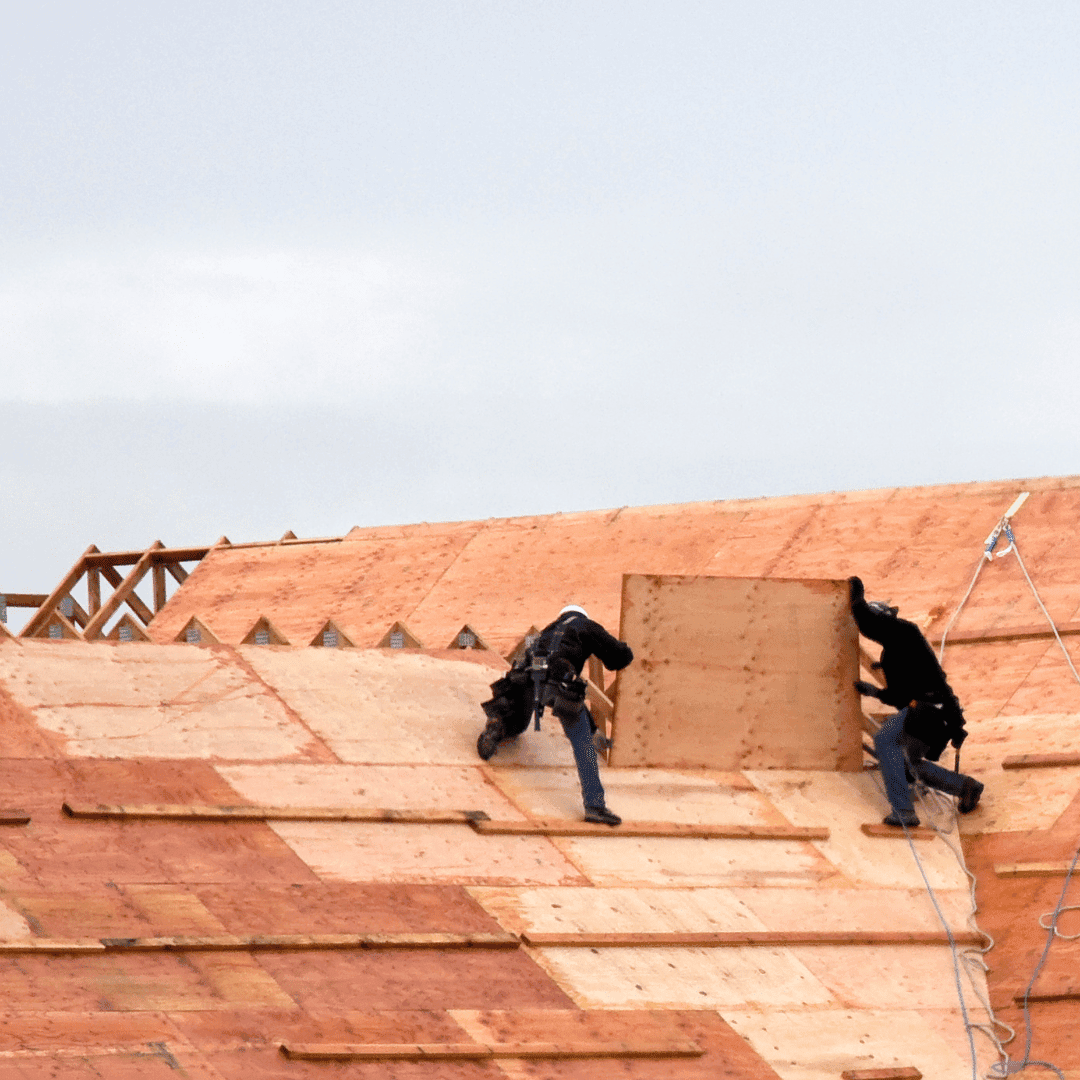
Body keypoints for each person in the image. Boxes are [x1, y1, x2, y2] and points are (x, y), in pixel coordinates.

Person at [477, 604, 633, 826]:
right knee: (583, 744)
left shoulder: (547, 631)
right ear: (582, 615)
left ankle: (498, 726)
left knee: (519, 724)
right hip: (559, 681)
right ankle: (595, 806)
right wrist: (628, 649)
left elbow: (526, 656)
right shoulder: (586, 626)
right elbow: (619, 658)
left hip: (527, 676)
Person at [849, 576, 984, 828]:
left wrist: (856, 596)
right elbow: (901, 696)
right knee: (905, 764)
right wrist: (877, 693)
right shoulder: (893, 654)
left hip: (929, 711)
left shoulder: (906, 633)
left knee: (884, 740)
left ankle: (903, 811)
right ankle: (965, 787)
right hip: (929, 715)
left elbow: (870, 623)